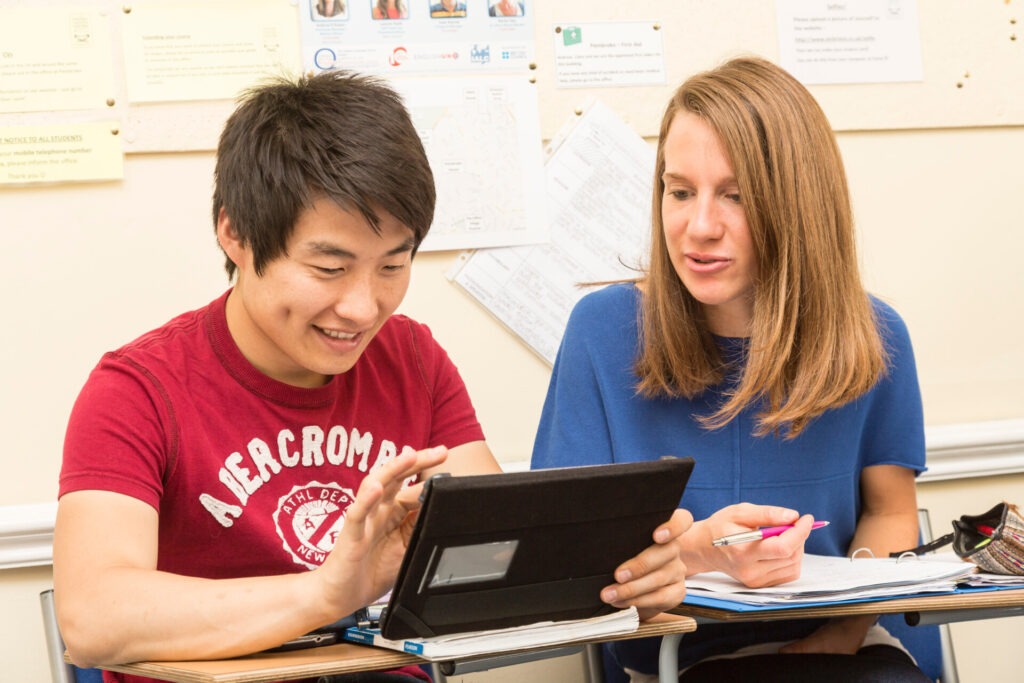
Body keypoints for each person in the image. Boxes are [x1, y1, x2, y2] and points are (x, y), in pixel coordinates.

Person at [53, 70, 690, 683]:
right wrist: (326, 593)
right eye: (329, 268)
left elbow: (508, 552)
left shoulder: (411, 358)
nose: (362, 309)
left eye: (392, 266)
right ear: (235, 235)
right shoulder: (137, 390)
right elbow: (91, 618)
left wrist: (630, 575)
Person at [531, 56, 934, 683]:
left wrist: (839, 635)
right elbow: (559, 555)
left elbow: (891, 512)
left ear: (797, 207)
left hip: (846, 655)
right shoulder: (602, 332)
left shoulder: (876, 337)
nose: (699, 228)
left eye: (736, 196)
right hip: (676, 663)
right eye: (679, 192)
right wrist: (695, 554)